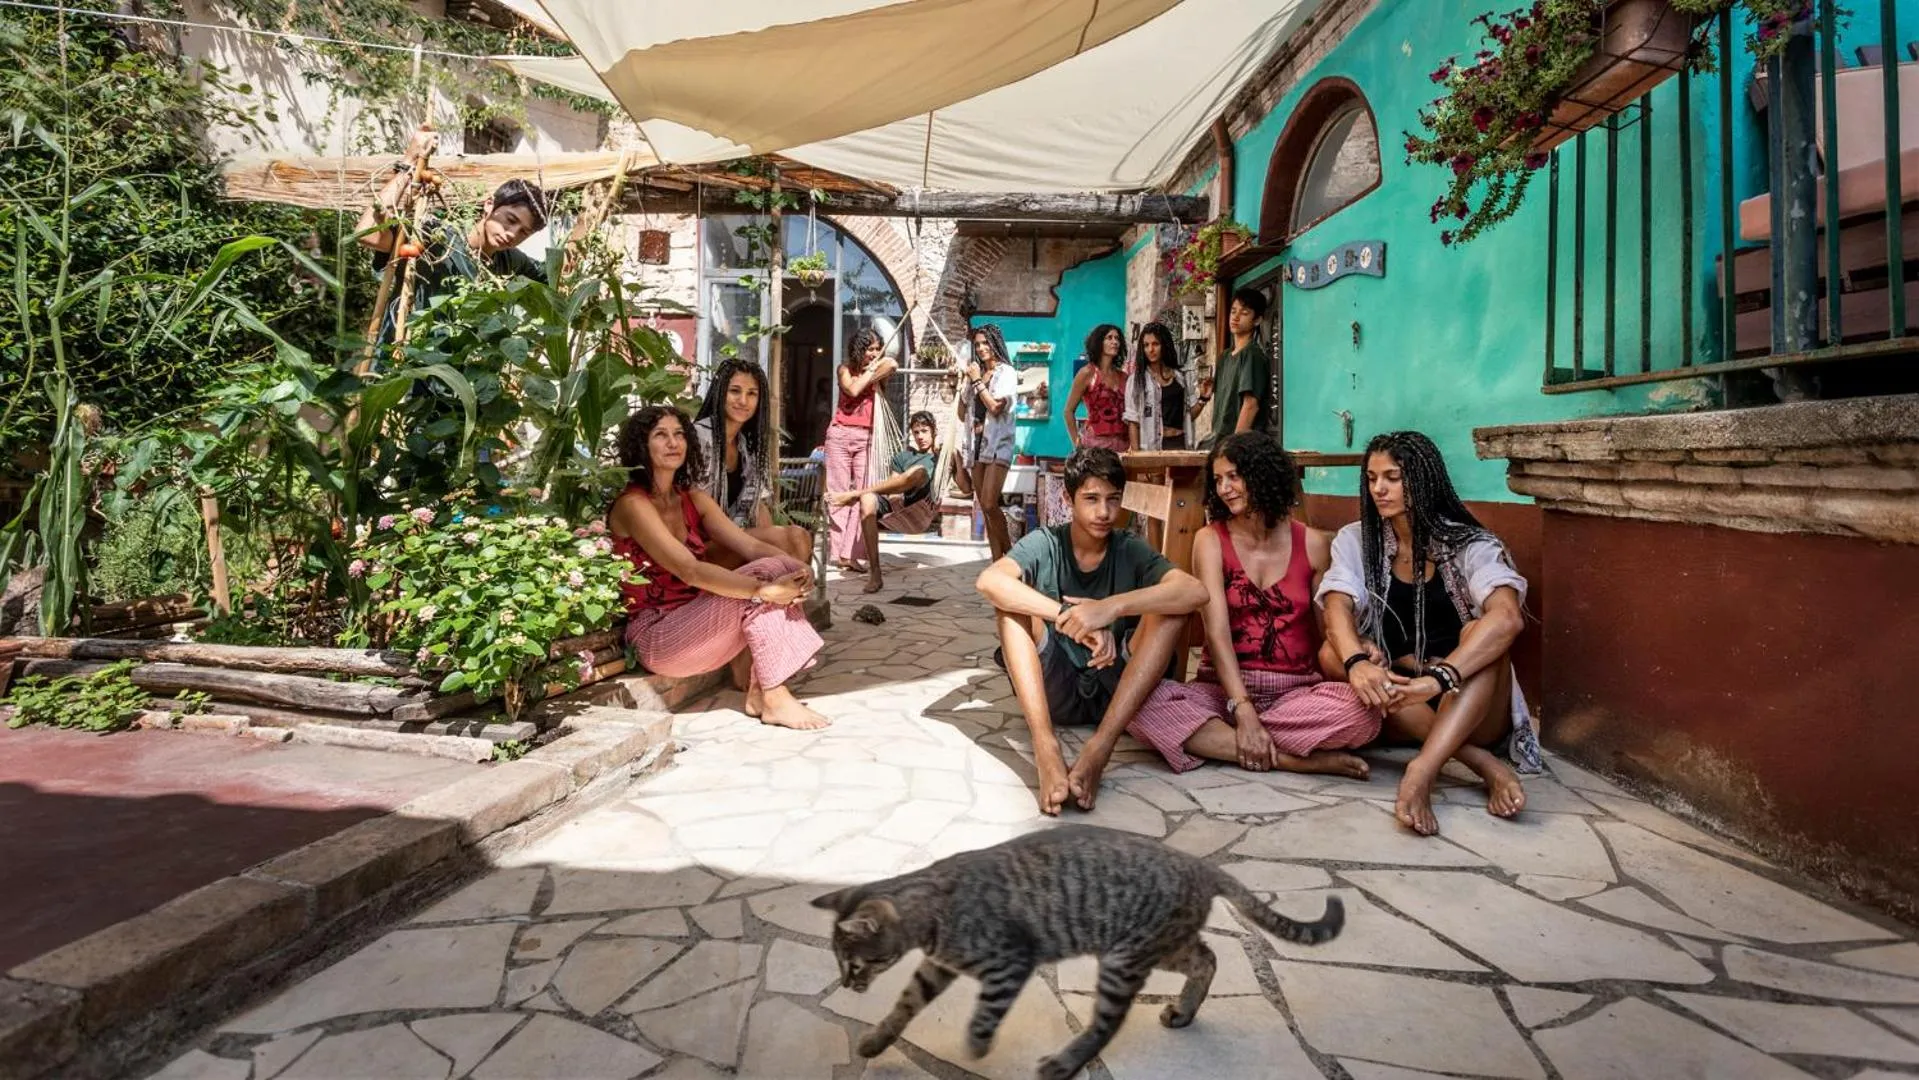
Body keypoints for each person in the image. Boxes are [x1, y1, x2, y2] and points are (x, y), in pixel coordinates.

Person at [1317, 430, 1538, 836]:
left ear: (1422, 479)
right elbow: (1336, 606)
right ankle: (1478, 763)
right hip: (1403, 699)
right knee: (1333, 654)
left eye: (1393, 477)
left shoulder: (1471, 544)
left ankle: (1421, 770)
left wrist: (1438, 680)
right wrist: (1358, 662)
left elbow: (1507, 619)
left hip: (1469, 703)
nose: (1379, 489)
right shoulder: (1355, 539)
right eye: (1371, 478)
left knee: (1480, 632)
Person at [1128, 433, 1380, 777]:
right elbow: (1216, 634)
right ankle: (1289, 759)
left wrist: (1360, 645)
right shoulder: (1210, 540)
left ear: (1262, 474)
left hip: (1295, 694)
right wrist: (1242, 709)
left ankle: (1234, 742)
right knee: (1141, 703)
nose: (1224, 488)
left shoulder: (1312, 543)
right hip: (1221, 691)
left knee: (1363, 713)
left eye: (1234, 476)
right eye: (1218, 480)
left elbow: (1327, 631)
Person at [976, 446, 1208, 815]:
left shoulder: (1129, 547)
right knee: (1009, 609)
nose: (1103, 512)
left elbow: (1195, 591)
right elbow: (989, 582)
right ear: (1068, 499)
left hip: (1118, 688)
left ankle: (1100, 749)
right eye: (1091, 499)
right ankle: (1046, 749)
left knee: (1171, 610)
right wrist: (1067, 615)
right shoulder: (1046, 543)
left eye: (1113, 500)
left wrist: (1109, 609)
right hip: (1057, 689)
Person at [609, 405, 830, 731]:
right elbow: (690, 571)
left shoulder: (692, 499)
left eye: (679, 434)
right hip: (658, 636)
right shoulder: (633, 505)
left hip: (699, 624)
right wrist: (762, 590)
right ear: (641, 445)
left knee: (771, 565)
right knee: (762, 583)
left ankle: (761, 691)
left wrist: (797, 567)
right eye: (661, 435)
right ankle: (774, 694)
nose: (673, 443)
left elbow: (749, 546)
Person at [357, 128, 548, 346]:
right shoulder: (435, 238)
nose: (511, 234)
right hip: (399, 358)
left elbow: (556, 273)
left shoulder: (508, 261)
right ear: (489, 205)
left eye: (524, 232)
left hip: (453, 375)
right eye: (510, 220)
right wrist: (409, 162)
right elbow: (367, 234)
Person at [691, 357, 813, 568]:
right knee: (793, 540)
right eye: (735, 391)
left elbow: (759, 507)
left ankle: (788, 597)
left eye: (752, 394)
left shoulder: (747, 446)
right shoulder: (698, 437)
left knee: (797, 538)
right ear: (721, 393)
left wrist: (770, 538)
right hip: (699, 545)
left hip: (735, 541)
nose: (743, 401)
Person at [827, 410, 941, 593]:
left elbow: (966, 488)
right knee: (867, 499)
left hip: (922, 509)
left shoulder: (940, 458)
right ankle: (875, 572)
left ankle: (853, 494)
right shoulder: (903, 457)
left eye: (924, 431)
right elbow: (893, 487)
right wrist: (896, 503)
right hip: (901, 509)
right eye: (916, 432)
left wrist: (957, 461)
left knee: (918, 472)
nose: (920, 437)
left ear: (934, 431)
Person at [825, 327, 898, 575]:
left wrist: (877, 367)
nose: (874, 353)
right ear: (859, 350)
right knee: (838, 494)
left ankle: (850, 555)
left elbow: (892, 364)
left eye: (877, 348)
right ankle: (837, 553)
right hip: (840, 434)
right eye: (869, 349)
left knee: (862, 494)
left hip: (867, 436)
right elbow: (853, 389)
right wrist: (870, 373)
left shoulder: (880, 367)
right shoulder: (844, 369)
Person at [966, 323, 1021, 561]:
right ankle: (996, 560)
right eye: (977, 344)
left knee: (989, 503)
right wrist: (963, 384)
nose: (980, 348)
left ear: (995, 343)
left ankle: (1011, 557)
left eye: (985, 343)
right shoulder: (976, 375)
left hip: (999, 444)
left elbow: (997, 407)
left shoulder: (1006, 372)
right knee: (984, 508)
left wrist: (977, 382)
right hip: (976, 445)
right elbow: (963, 413)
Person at [1123, 322, 1209, 452]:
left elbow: (1187, 415)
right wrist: (1136, 456)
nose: (1150, 349)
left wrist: (1203, 399)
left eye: (1155, 344)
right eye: (1146, 345)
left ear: (1165, 345)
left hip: (1180, 444)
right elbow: (1133, 421)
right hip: (1152, 448)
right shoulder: (1136, 380)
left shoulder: (1181, 377)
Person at [1208, 288, 1273, 448]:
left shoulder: (1252, 354)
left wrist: (1232, 447)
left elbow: (1251, 404)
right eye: (1233, 311)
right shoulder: (1224, 357)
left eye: (1244, 313)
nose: (1235, 317)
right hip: (1218, 441)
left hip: (1242, 446)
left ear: (1257, 320)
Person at [1064, 324, 1130, 452]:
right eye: (1109, 338)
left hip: (1123, 446)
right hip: (1095, 446)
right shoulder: (1087, 373)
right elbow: (1068, 411)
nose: (1115, 342)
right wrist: (1077, 445)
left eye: (1117, 338)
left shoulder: (1124, 377)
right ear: (1098, 342)